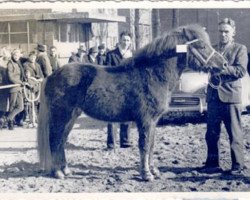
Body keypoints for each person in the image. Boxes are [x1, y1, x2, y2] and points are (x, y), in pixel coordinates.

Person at [202, 18, 248, 175]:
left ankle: (238, 166)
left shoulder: (240, 49)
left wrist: (221, 69)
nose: (223, 34)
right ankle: (212, 165)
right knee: (211, 134)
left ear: (233, 32)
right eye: (220, 31)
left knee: (234, 134)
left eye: (226, 31)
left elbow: (240, 71)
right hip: (213, 97)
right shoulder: (212, 50)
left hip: (231, 97)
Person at [105, 31, 133, 149]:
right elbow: (107, 71)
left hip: (128, 88)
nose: (125, 42)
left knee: (127, 115)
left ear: (130, 41)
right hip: (114, 88)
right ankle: (111, 143)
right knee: (112, 116)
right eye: (123, 40)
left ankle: (125, 141)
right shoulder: (111, 54)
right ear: (120, 40)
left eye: (127, 40)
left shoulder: (133, 54)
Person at [6, 49, 26, 130]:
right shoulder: (10, 64)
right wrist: (20, 82)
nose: (16, 57)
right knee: (12, 106)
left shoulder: (18, 63)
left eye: (18, 55)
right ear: (12, 55)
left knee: (20, 107)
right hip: (13, 87)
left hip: (19, 87)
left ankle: (9, 118)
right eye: (15, 55)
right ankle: (9, 122)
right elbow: (11, 77)